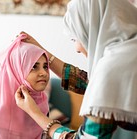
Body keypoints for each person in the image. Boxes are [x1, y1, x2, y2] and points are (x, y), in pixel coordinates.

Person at [15, 0, 137, 138]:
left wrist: (35, 113)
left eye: (74, 39)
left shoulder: (113, 70)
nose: (77, 49)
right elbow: (89, 83)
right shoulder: (129, 57)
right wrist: (44, 53)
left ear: (92, 28)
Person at [0, 34, 51, 139]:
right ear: (17, 71)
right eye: (33, 67)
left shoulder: (42, 102)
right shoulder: (0, 117)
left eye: (45, 67)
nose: (43, 73)